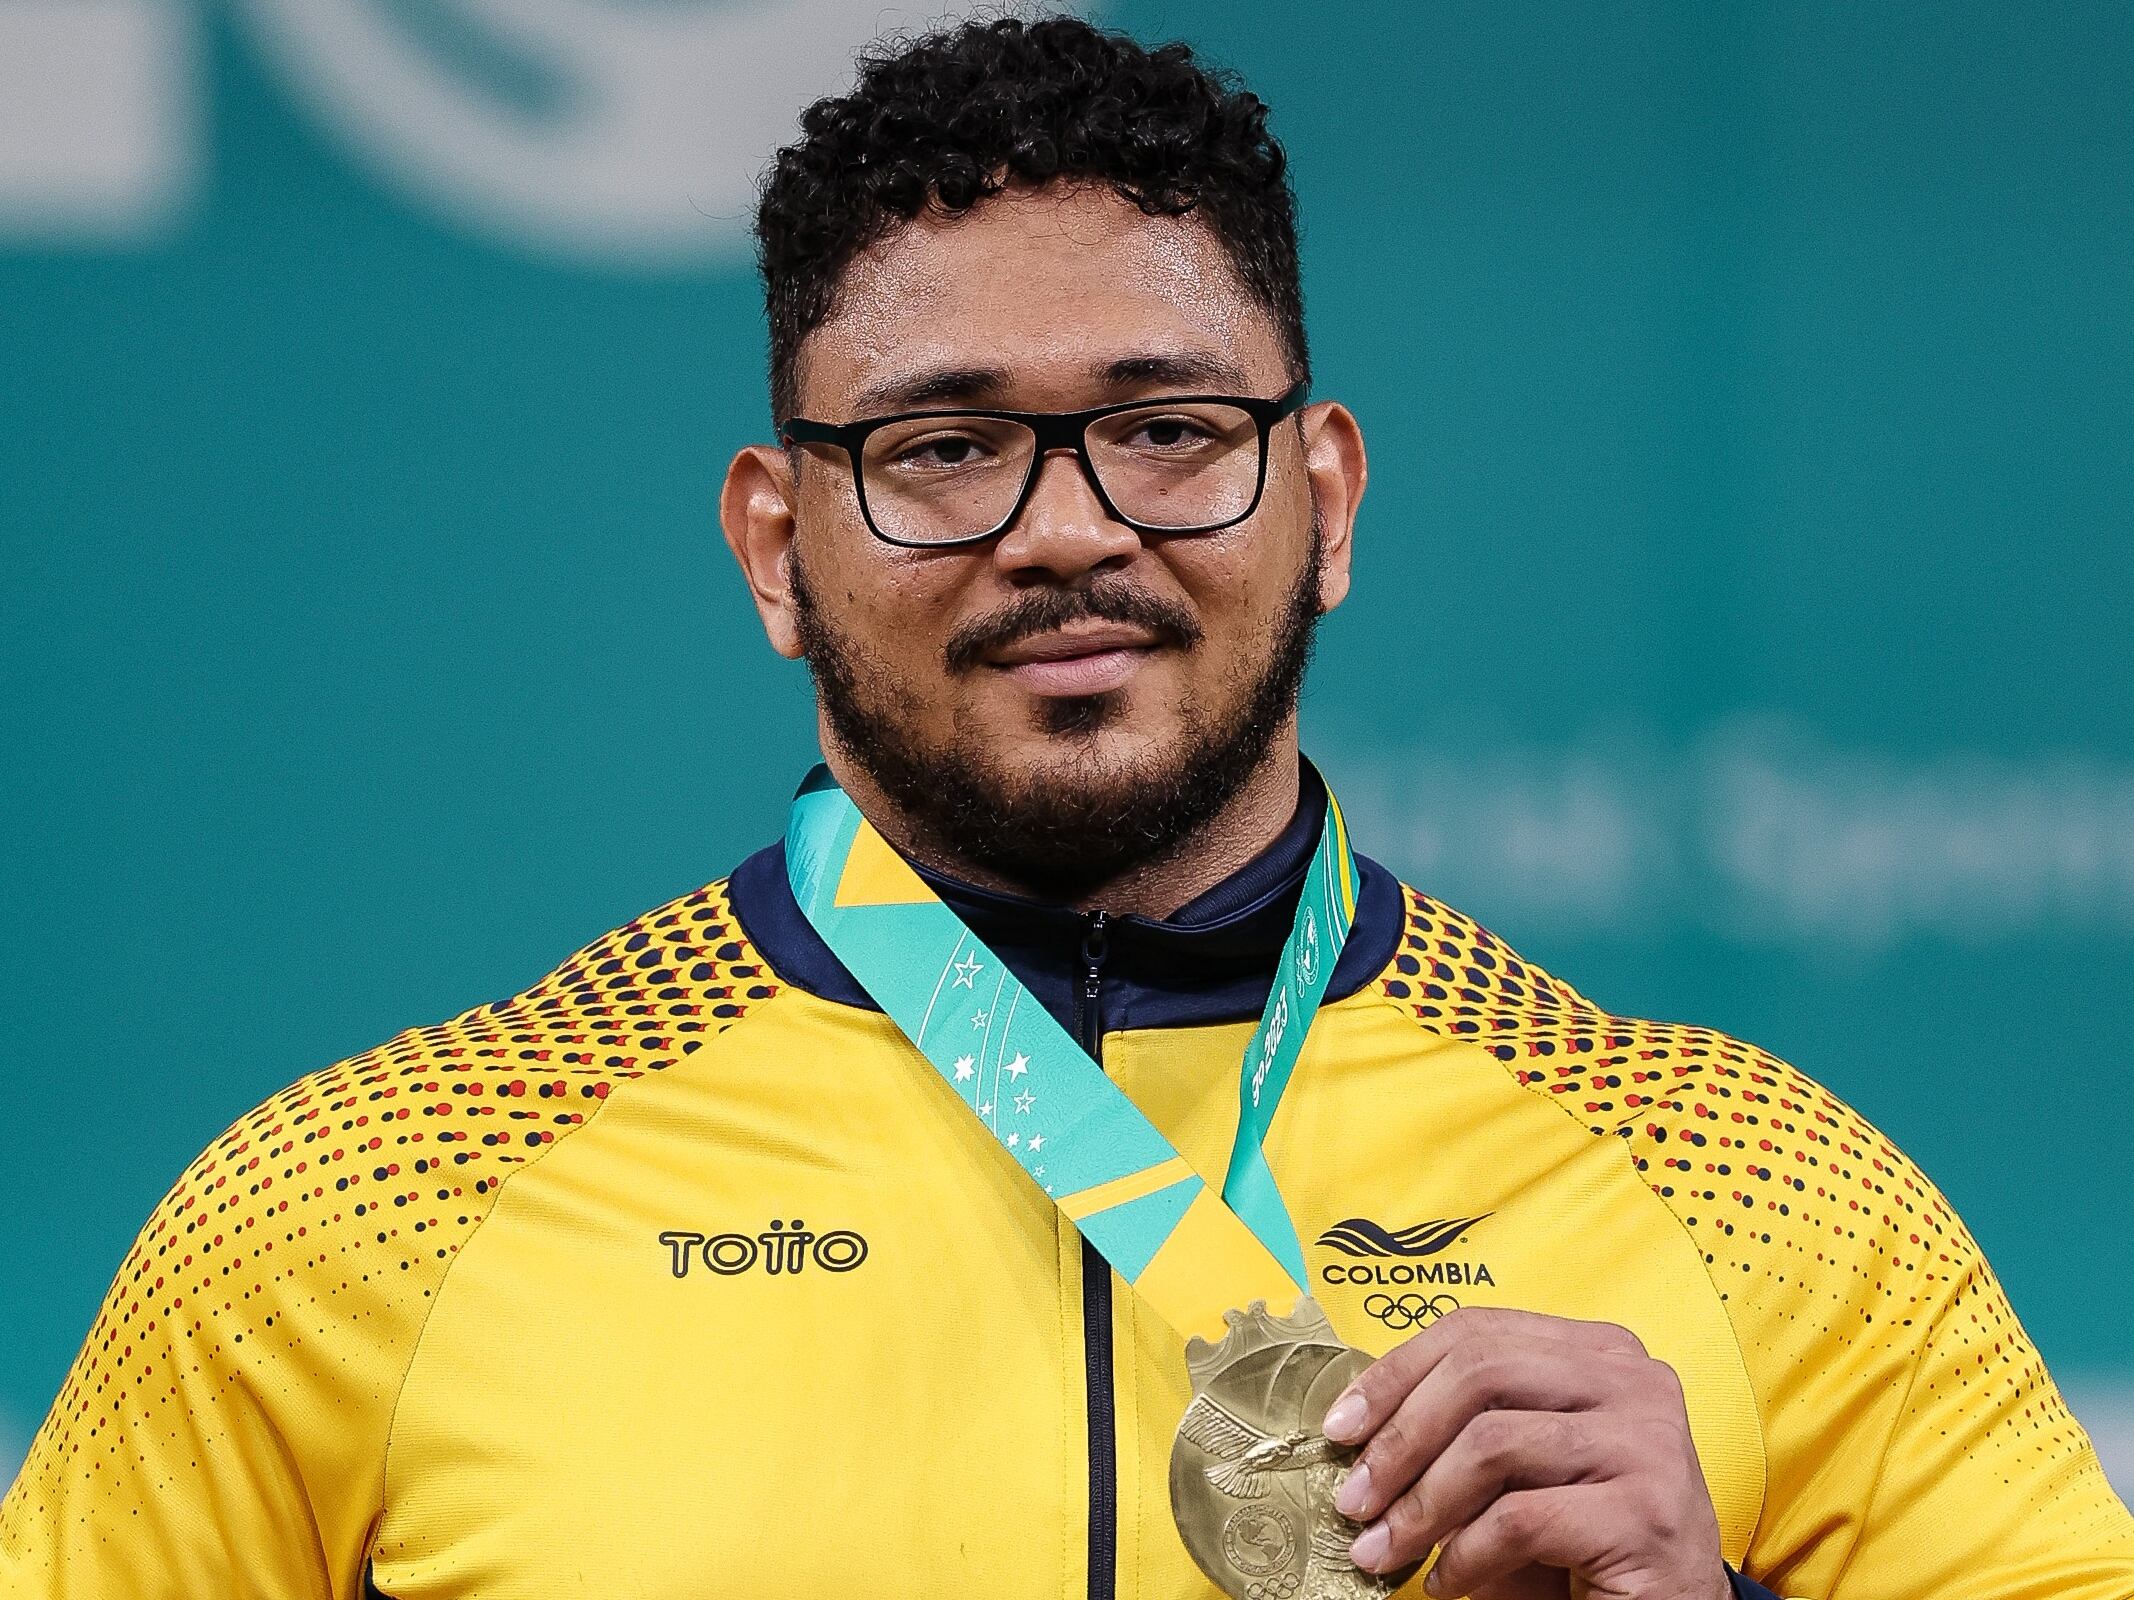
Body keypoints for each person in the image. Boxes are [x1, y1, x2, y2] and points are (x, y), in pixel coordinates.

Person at [3, 16, 2129, 1600]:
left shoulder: (1759, 1204)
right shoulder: (359, 1217)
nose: (1067, 529)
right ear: (773, 545)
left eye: (1166, 426)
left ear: (1321, 496)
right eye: (941, 447)